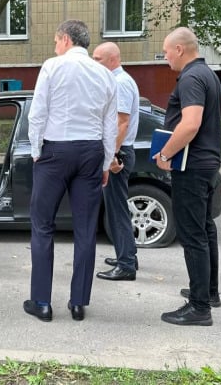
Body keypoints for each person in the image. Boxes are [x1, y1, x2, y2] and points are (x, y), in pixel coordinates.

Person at [24, 20, 117, 322]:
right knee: (86, 228)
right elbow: (110, 124)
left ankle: (41, 302)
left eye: (55, 40)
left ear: (65, 39)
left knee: (42, 225)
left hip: (55, 149)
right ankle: (78, 303)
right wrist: (105, 162)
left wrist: (37, 151)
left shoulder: (52, 67)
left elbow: (38, 112)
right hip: (90, 151)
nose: (54, 46)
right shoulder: (105, 74)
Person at [153, 27, 221, 326]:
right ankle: (208, 292)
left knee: (193, 235)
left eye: (167, 51)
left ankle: (198, 308)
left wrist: (166, 154)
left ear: (180, 49)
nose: (165, 56)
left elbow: (190, 124)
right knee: (205, 229)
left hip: (191, 166)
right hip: (206, 164)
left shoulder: (192, 78)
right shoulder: (208, 74)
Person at [92, 42, 140, 281]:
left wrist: (111, 156)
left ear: (112, 60)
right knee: (118, 207)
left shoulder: (120, 83)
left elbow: (122, 123)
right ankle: (128, 253)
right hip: (121, 151)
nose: (94, 62)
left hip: (119, 153)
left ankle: (126, 265)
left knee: (116, 211)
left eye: (98, 59)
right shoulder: (120, 81)